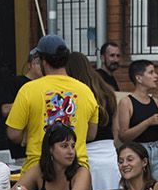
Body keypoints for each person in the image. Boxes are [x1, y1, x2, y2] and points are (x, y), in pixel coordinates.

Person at [5, 34, 99, 174]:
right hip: (76, 172)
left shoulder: (28, 89)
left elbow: (13, 134)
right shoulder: (85, 91)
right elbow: (91, 134)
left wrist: (27, 135)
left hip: (38, 171)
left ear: (43, 61)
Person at [66, 52, 121, 190]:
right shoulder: (107, 90)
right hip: (110, 153)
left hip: (87, 153)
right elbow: (116, 128)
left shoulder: (76, 94)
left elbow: (89, 133)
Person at [10, 123, 94, 190]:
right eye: (64, 146)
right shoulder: (38, 170)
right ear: (50, 149)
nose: (71, 152)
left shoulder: (82, 172)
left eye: (73, 146)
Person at [114, 60, 158, 183]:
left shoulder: (156, 102)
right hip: (137, 152)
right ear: (139, 78)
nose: (156, 76)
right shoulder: (126, 102)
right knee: (139, 189)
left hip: (157, 150)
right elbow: (123, 136)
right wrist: (148, 122)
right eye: (151, 72)